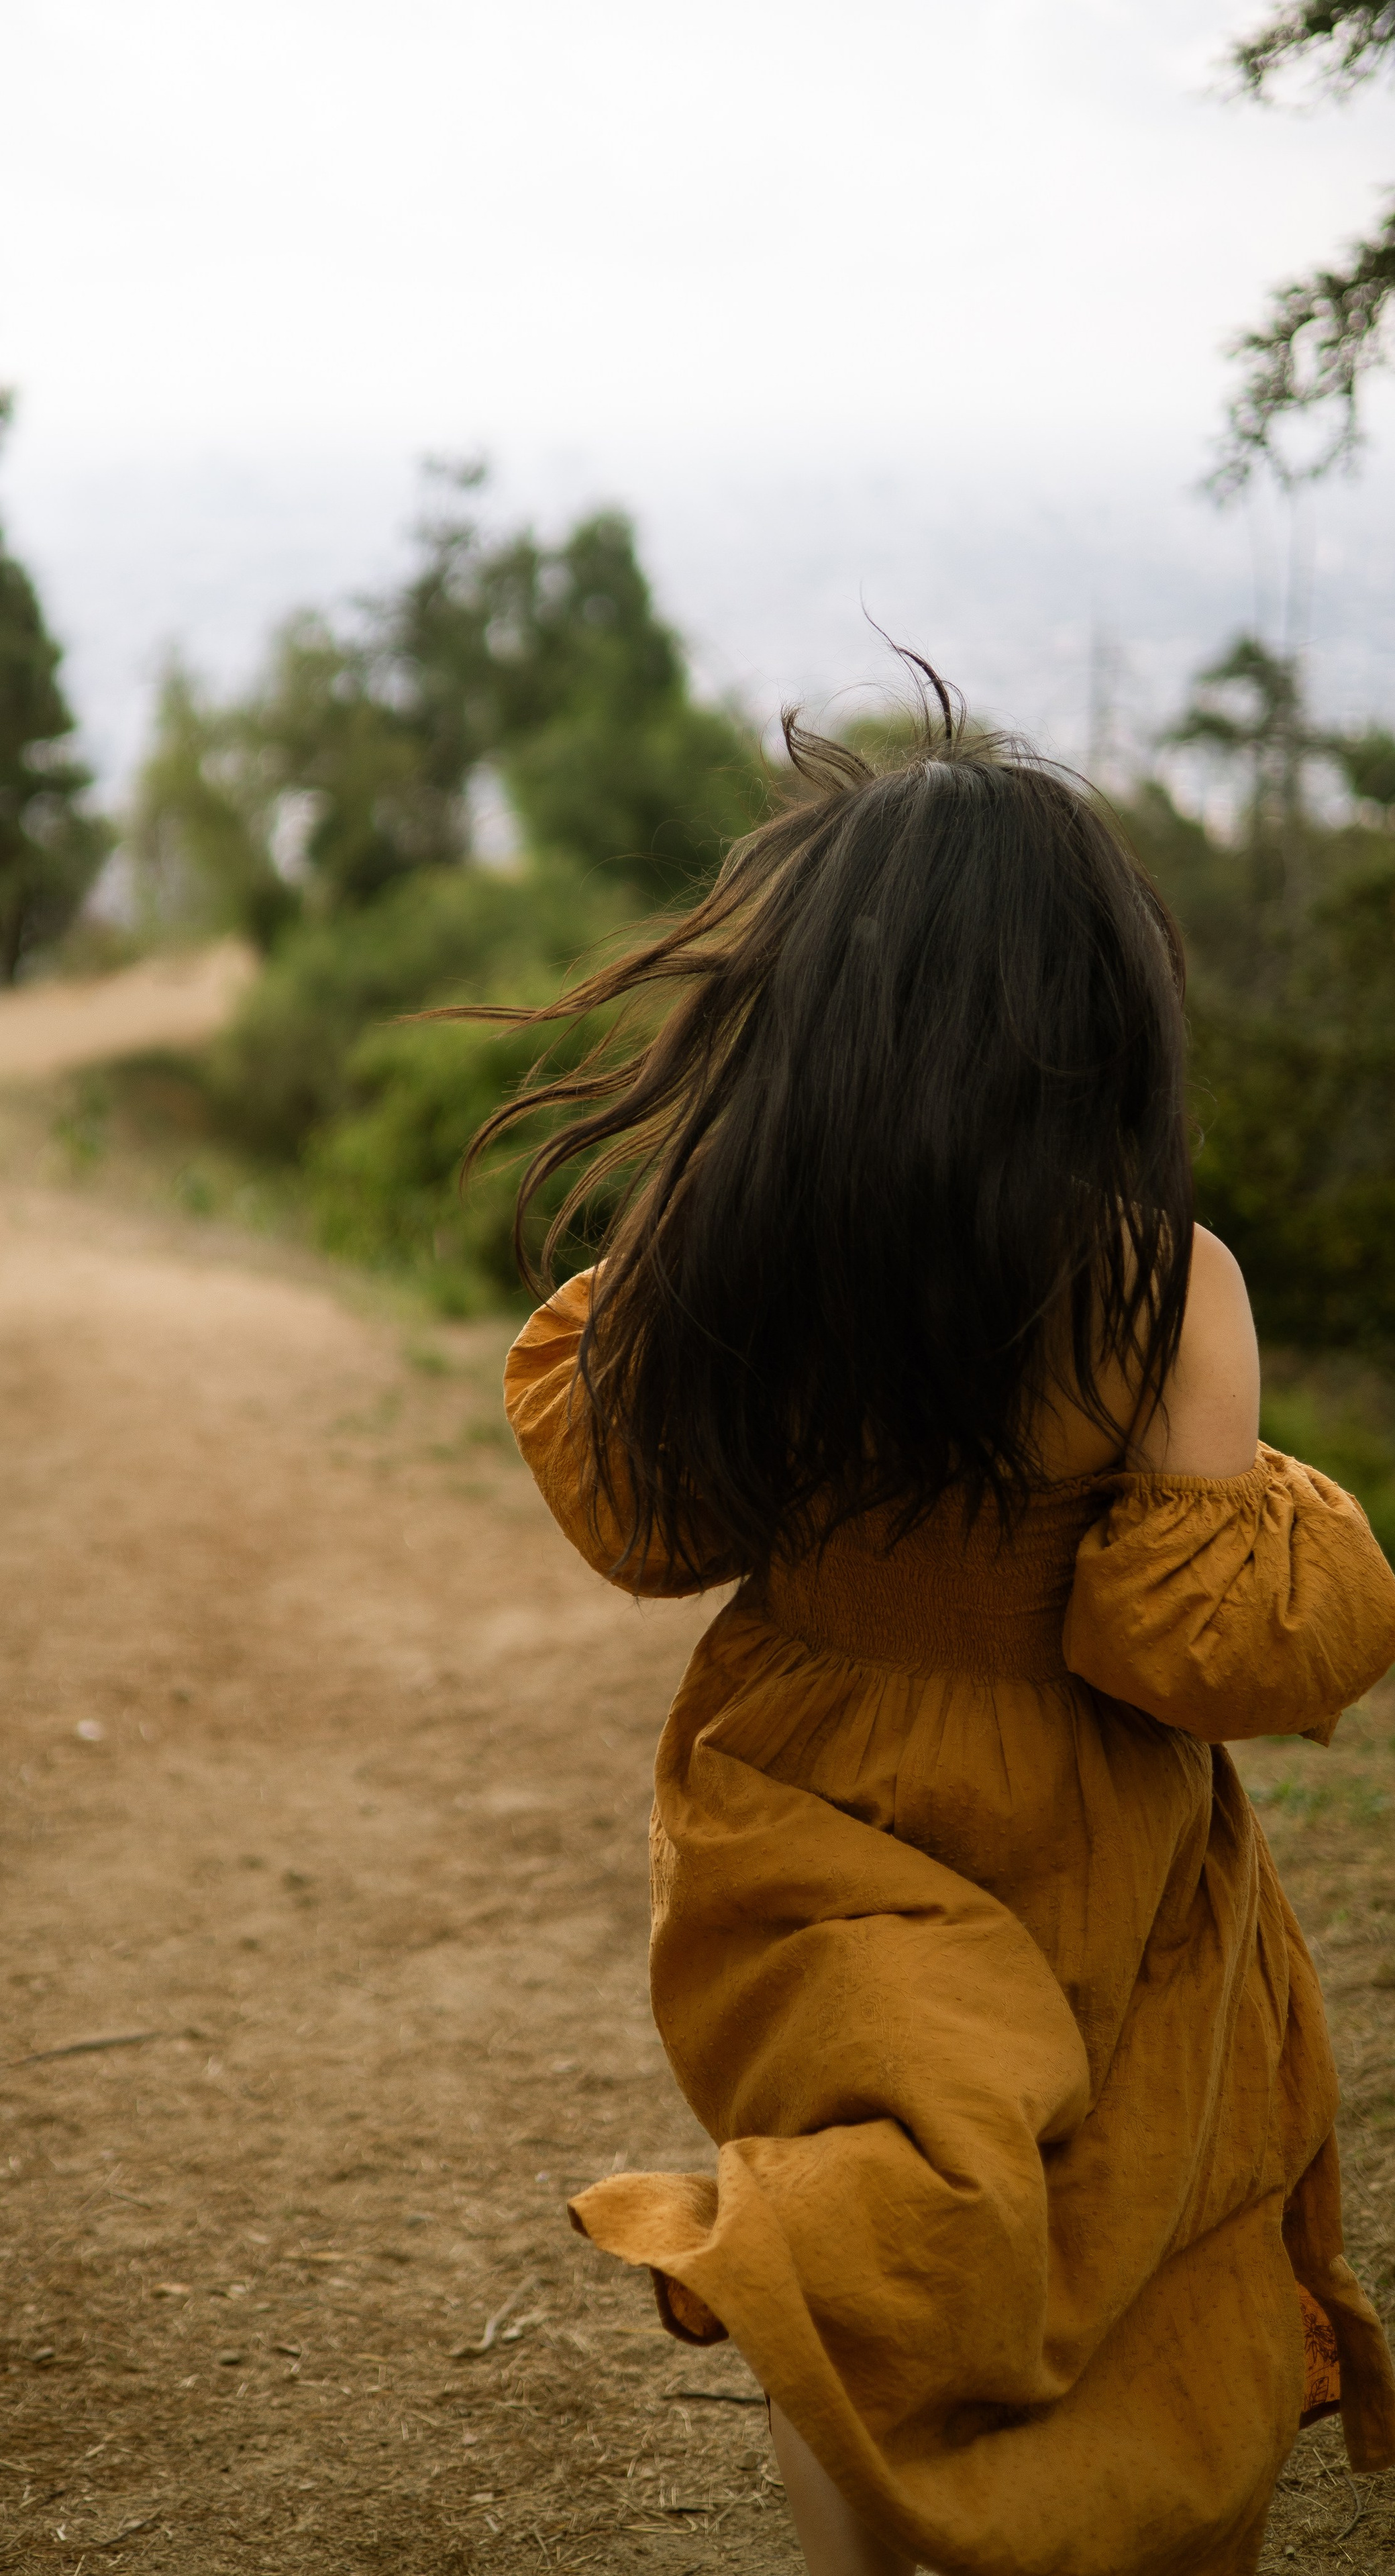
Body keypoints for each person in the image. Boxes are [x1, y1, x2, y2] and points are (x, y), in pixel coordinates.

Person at [478, 693, 1395, 2576]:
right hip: (1097, 1850)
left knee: (867, 2231)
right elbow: (1199, 1647)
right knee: (1138, 2228)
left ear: (809, 1006)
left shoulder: (736, 1248)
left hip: (804, 1821)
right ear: (1097, 1014)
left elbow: (646, 1521)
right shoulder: (1163, 1284)